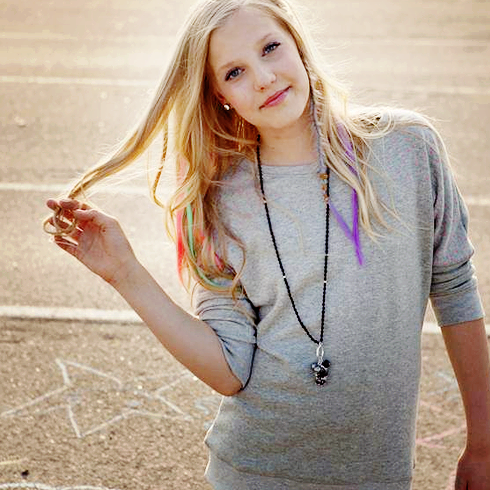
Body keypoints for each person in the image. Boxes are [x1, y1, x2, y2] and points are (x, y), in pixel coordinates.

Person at [44, 0, 490, 488]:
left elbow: (454, 291)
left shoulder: (406, 147)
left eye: (270, 48)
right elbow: (229, 371)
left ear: (297, 43)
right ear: (219, 95)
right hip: (253, 472)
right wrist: (127, 275)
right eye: (234, 72)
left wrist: (484, 444)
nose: (263, 77)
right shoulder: (217, 202)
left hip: (377, 477)